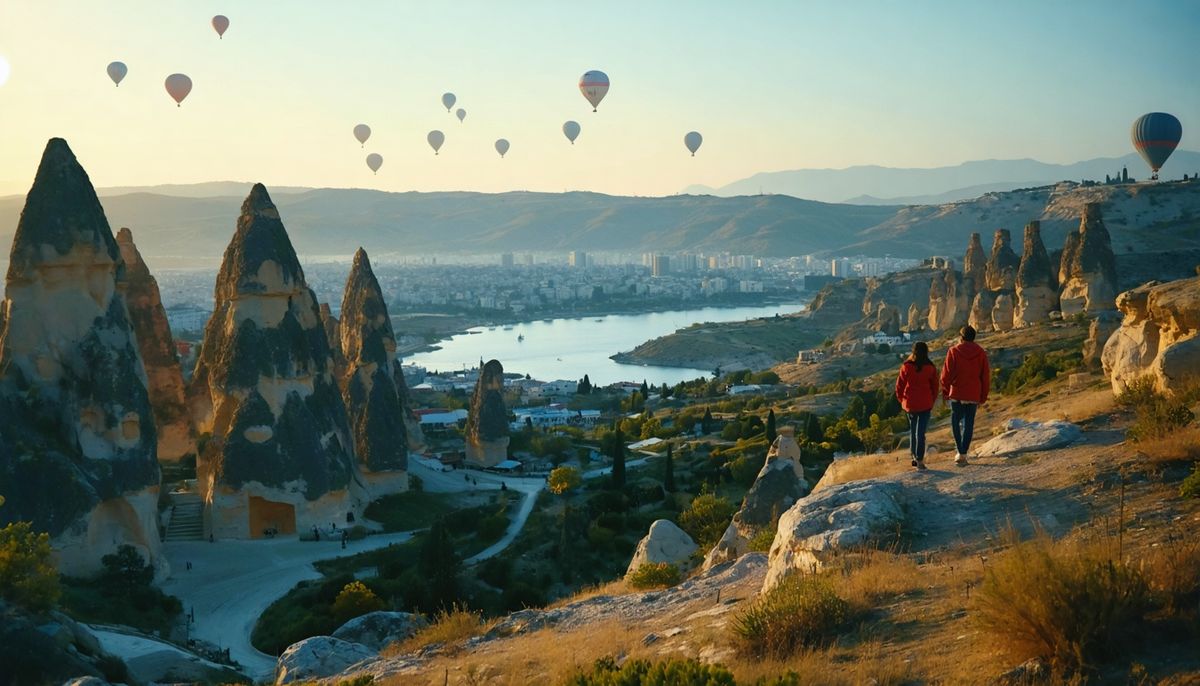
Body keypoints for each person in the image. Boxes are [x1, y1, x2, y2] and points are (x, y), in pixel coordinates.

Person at [940, 325, 990, 466]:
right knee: (969, 424)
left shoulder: (953, 351)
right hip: (973, 393)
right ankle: (963, 453)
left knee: (955, 422)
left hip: (956, 392)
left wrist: (945, 391)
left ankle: (960, 451)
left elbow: (946, 375)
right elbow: (985, 377)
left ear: (961, 337)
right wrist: (983, 396)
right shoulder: (980, 353)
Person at [895, 341, 938, 470]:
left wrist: (902, 401)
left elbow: (899, 386)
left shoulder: (906, 366)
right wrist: (931, 400)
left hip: (910, 404)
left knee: (913, 431)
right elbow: (935, 387)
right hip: (925, 404)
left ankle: (914, 456)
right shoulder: (930, 368)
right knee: (921, 433)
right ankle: (919, 460)